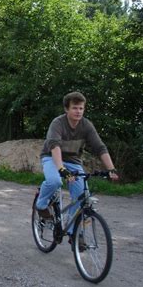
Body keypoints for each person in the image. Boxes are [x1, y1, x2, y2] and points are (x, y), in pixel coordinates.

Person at [35, 92, 119, 243]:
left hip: (73, 161)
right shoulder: (58, 123)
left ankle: (73, 233)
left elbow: (100, 147)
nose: (78, 111)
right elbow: (54, 146)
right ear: (66, 109)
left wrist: (111, 169)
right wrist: (61, 169)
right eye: (75, 108)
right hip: (51, 158)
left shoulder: (86, 125)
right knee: (55, 181)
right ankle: (41, 206)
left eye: (81, 108)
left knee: (81, 197)